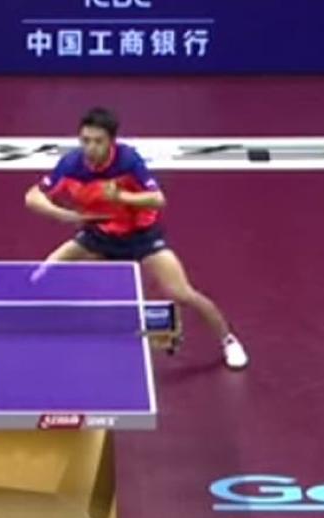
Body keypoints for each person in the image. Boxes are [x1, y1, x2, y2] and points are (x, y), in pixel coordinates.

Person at [24, 107, 249, 370]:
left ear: (111, 141)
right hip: (100, 235)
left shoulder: (128, 160)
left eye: (98, 141)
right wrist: (65, 215)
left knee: (181, 292)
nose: (90, 148)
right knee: (44, 272)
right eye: (85, 140)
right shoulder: (71, 164)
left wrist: (121, 197)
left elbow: (158, 199)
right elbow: (32, 197)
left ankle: (228, 340)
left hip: (142, 238)